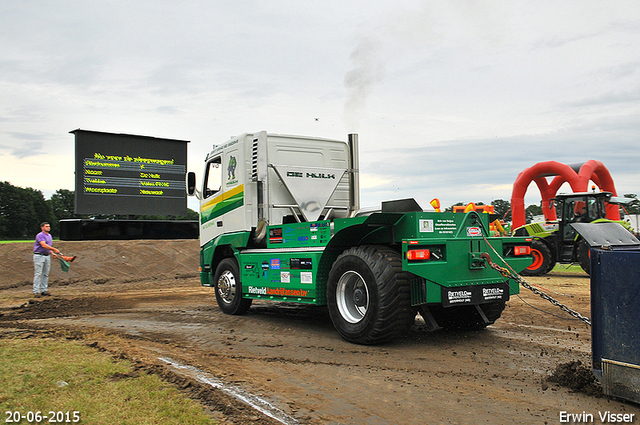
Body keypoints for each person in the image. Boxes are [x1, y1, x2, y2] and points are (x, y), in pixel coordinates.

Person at [33, 222, 60, 297]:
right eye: (46, 226)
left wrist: (51, 253)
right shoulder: (40, 235)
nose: (48, 228)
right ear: (42, 228)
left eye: (49, 226)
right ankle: (36, 291)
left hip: (47, 255)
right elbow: (43, 245)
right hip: (39, 255)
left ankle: (44, 290)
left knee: (45, 273)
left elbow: (48, 246)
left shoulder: (49, 236)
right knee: (38, 273)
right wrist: (54, 249)